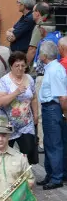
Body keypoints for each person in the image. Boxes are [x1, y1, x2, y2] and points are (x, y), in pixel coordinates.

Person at [0, 49, 39, 165]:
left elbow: (34, 97)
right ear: (11, 66)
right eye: (16, 65)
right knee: (4, 154)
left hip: (26, 123)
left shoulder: (29, 79)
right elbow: (0, 102)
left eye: (22, 65)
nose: (20, 68)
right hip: (7, 125)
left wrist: (35, 115)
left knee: (28, 151)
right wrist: (16, 92)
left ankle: (25, 176)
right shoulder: (4, 81)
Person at [36, 41, 67, 190]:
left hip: (53, 109)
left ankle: (56, 177)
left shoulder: (54, 70)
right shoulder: (53, 68)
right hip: (51, 109)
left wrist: (63, 112)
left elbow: (62, 96)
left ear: (44, 55)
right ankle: (52, 174)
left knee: (54, 144)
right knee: (50, 143)